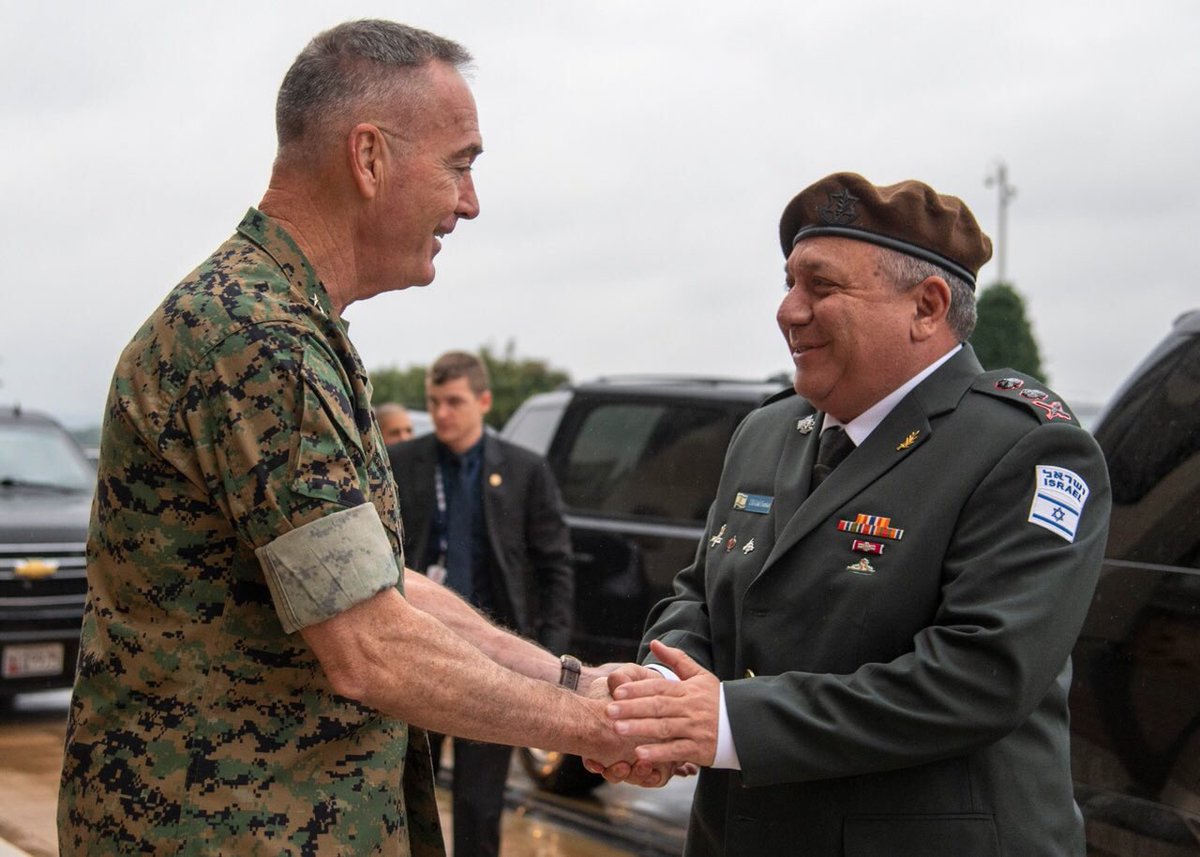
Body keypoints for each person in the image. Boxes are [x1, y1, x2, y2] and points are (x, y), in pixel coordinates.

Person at [57, 20, 642, 857]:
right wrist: (598, 726)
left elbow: (374, 585)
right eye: (460, 163)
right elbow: (372, 647)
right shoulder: (255, 338)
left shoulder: (287, 326)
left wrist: (571, 677)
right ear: (368, 158)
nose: (469, 202)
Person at [601, 172, 1112, 856]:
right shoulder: (767, 431)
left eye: (822, 286)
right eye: (788, 283)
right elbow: (702, 593)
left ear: (927, 307)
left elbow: (978, 676)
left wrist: (726, 722)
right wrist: (661, 697)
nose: (788, 310)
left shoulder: (1025, 447)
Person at [388, 350, 573, 857]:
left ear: (483, 401)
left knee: (479, 803)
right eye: (434, 401)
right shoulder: (404, 464)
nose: (442, 413)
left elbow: (554, 566)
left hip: (492, 662)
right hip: (419, 653)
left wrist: (550, 657)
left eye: (454, 401)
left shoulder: (524, 470)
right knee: (406, 797)